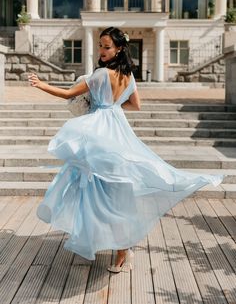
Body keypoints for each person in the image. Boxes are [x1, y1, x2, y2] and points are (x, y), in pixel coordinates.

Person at [28, 26, 223, 273]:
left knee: (94, 187)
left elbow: (67, 93)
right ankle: (121, 249)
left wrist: (40, 84)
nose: (101, 50)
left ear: (119, 48)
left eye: (106, 46)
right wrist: (114, 108)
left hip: (99, 129)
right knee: (114, 190)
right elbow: (136, 106)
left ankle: (110, 245)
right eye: (100, 45)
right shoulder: (129, 77)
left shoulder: (101, 75)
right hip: (117, 130)